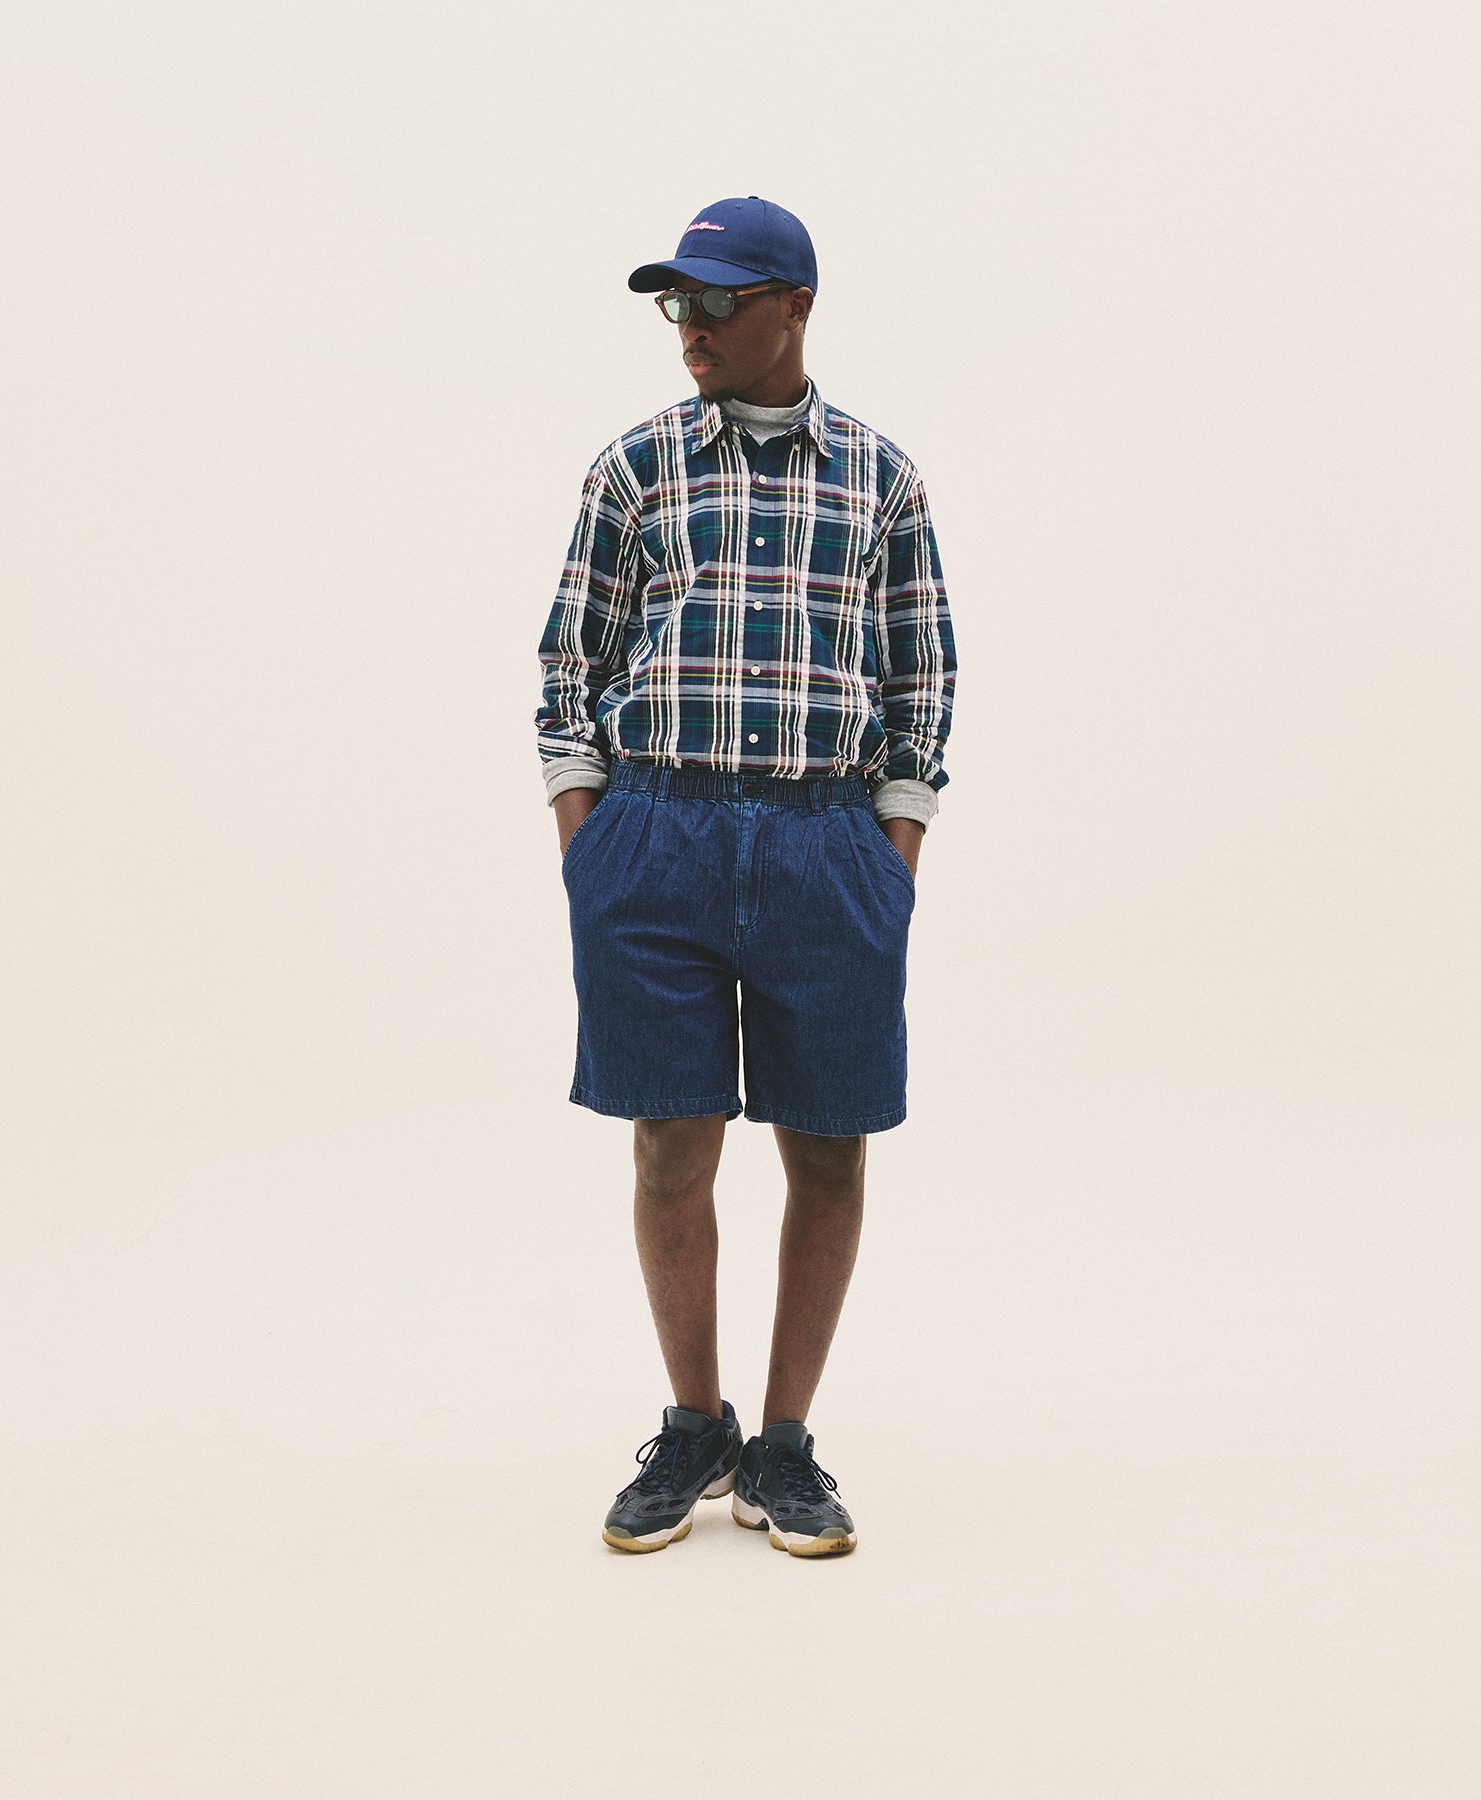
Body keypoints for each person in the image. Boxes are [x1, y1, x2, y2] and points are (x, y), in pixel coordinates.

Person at [534, 196, 956, 1557]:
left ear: (795, 307)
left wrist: (889, 857)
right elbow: (570, 667)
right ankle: (693, 1423)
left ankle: (783, 1444)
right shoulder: (635, 469)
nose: (691, 329)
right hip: (656, 835)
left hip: (827, 842)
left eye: (717, 301)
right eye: (679, 303)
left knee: (828, 1145)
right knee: (672, 1144)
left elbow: (921, 680)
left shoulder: (881, 480)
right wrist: (592, 845)